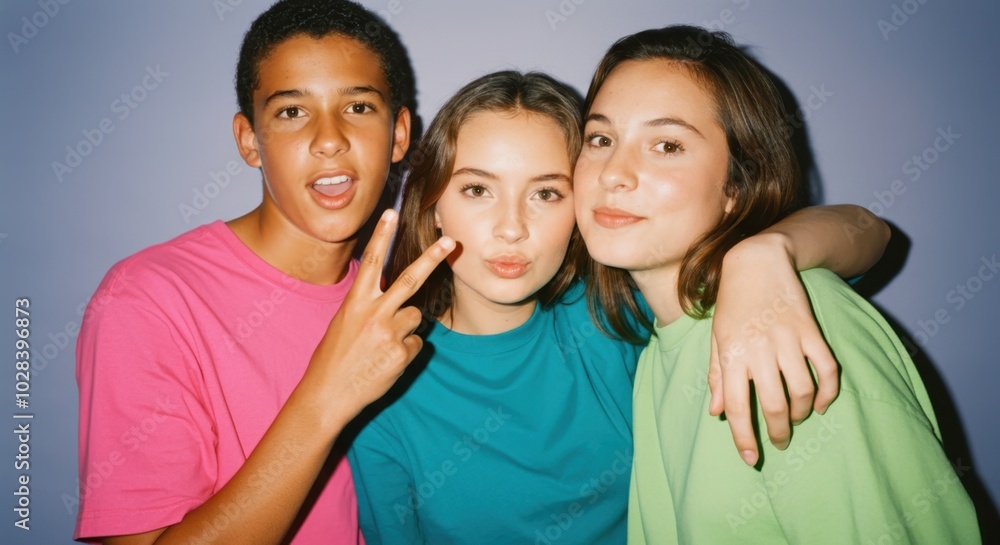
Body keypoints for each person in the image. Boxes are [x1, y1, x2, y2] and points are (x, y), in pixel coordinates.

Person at [347, 70, 889, 543]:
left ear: (582, 203)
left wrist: (767, 253)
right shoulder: (387, 384)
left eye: (546, 193)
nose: (511, 228)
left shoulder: (614, 313)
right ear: (434, 205)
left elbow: (871, 233)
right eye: (476, 190)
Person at [574, 25, 981, 544]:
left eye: (667, 144)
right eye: (601, 138)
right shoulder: (659, 348)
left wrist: (765, 254)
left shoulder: (796, 329)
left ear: (735, 189)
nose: (614, 172)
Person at [74, 1, 454, 544]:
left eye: (359, 107)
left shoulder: (401, 307)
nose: (329, 139)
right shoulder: (149, 300)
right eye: (292, 111)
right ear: (250, 140)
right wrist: (326, 396)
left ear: (398, 135)